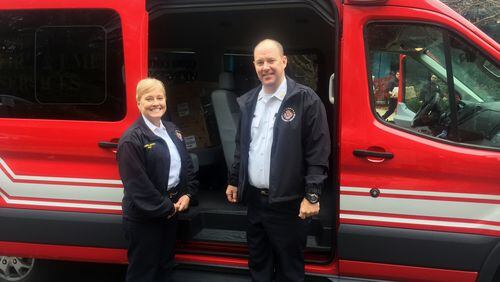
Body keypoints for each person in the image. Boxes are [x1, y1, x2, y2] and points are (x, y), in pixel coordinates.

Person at [225, 39, 330, 282]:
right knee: (258, 266)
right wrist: (234, 180)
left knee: (289, 271)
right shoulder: (249, 102)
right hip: (255, 202)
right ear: (254, 65)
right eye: (260, 62)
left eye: (271, 60)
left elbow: (318, 151)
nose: (266, 67)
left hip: (289, 204)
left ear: (283, 61)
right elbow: (243, 146)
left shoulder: (306, 100)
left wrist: (312, 194)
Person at [117, 78, 198, 282]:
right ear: (138, 103)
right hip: (145, 217)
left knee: (165, 266)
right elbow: (137, 185)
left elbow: (186, 164)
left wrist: (188, 193)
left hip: (170, 211)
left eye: (160, 97)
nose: (156, 103)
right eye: (149, 98)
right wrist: (166, 208)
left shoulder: (172, 129)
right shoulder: (132, 139)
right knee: (144, 272)